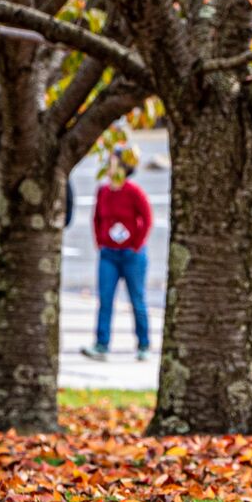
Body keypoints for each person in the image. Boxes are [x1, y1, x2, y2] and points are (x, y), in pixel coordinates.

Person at [81, 147, 153, 362]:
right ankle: (101, 343)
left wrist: (136, 244)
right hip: (109, 254)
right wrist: (100, 242)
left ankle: (144, 344)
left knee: (137, 299)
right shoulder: (103, 191)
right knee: (105, 299)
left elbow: (146, 219)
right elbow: (96, 219)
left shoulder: (133, 191)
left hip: (132, 255)